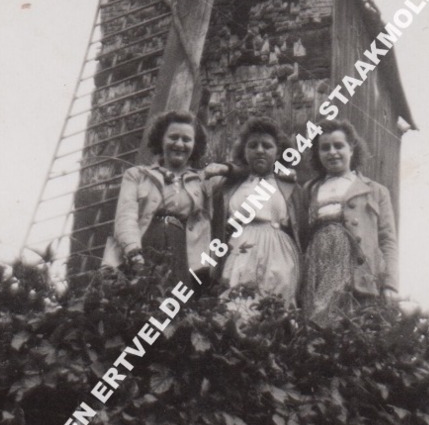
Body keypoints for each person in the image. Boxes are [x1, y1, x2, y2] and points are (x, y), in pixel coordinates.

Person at [103, 111, 227, 282]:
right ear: (161, 139)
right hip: (142, 246)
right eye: (173, 137)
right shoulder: (137, 175)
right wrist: (133, 251)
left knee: (173, 302)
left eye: (186, 139)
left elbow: (247, 171)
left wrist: (224, 168)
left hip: (181, 252)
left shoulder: (203, 181)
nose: (179, 144)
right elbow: (126, 216)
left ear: (194, 145)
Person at [300, 120, 398, 325]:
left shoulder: (376, 190)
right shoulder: (309, 190)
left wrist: (390, 284)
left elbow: (388, 241)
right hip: (317, 270)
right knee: (317, 327)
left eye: (339, 146)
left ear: (352, 148)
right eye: (325, 148)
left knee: (356, 331)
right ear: (318, 154)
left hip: (359, 275)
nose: (332, 152)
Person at [214, 117, 303, 308]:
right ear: (244, 151)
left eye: (267, 146)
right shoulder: (229, 186)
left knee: (275, 305)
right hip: (239, 248)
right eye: (253, 145)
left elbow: (301, 227)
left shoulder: (290, 187)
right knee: (235, 305)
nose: (260, 150)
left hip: (278, 252)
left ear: (278, 152)